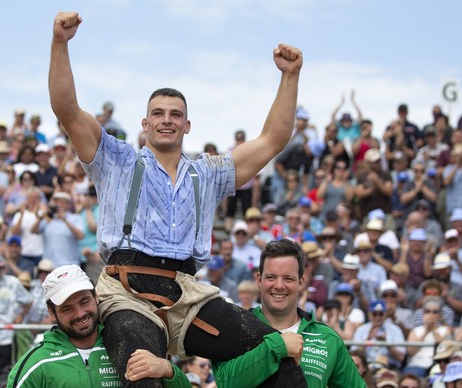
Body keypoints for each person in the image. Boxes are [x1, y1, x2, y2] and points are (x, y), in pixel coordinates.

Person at [49, 11, 305, 387]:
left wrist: (290, 76)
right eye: (157, 114)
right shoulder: (116, 160)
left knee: (275, 352)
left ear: (187, 125)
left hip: (187, 295)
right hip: (126, 292)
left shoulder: (209, 171)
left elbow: (273, 140)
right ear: (145, 123)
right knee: (143, 373)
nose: (166, 120)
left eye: (175, 115)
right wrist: (60, 43)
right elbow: (66, 110)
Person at [212, 239, 364, 387]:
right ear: (259, 280)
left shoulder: (327, 339)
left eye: (288, 278)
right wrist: (279, 347)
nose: (279, 286)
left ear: (301, 282)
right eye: (271, 277)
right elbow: (225, 383)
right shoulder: (237, 330)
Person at [7, 264, 190, 387]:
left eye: (84, 301)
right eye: (67, 309)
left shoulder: (127, 342)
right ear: (51, 312)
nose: (79, 314)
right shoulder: (37, 363)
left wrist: (167, 370)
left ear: (96, 297)